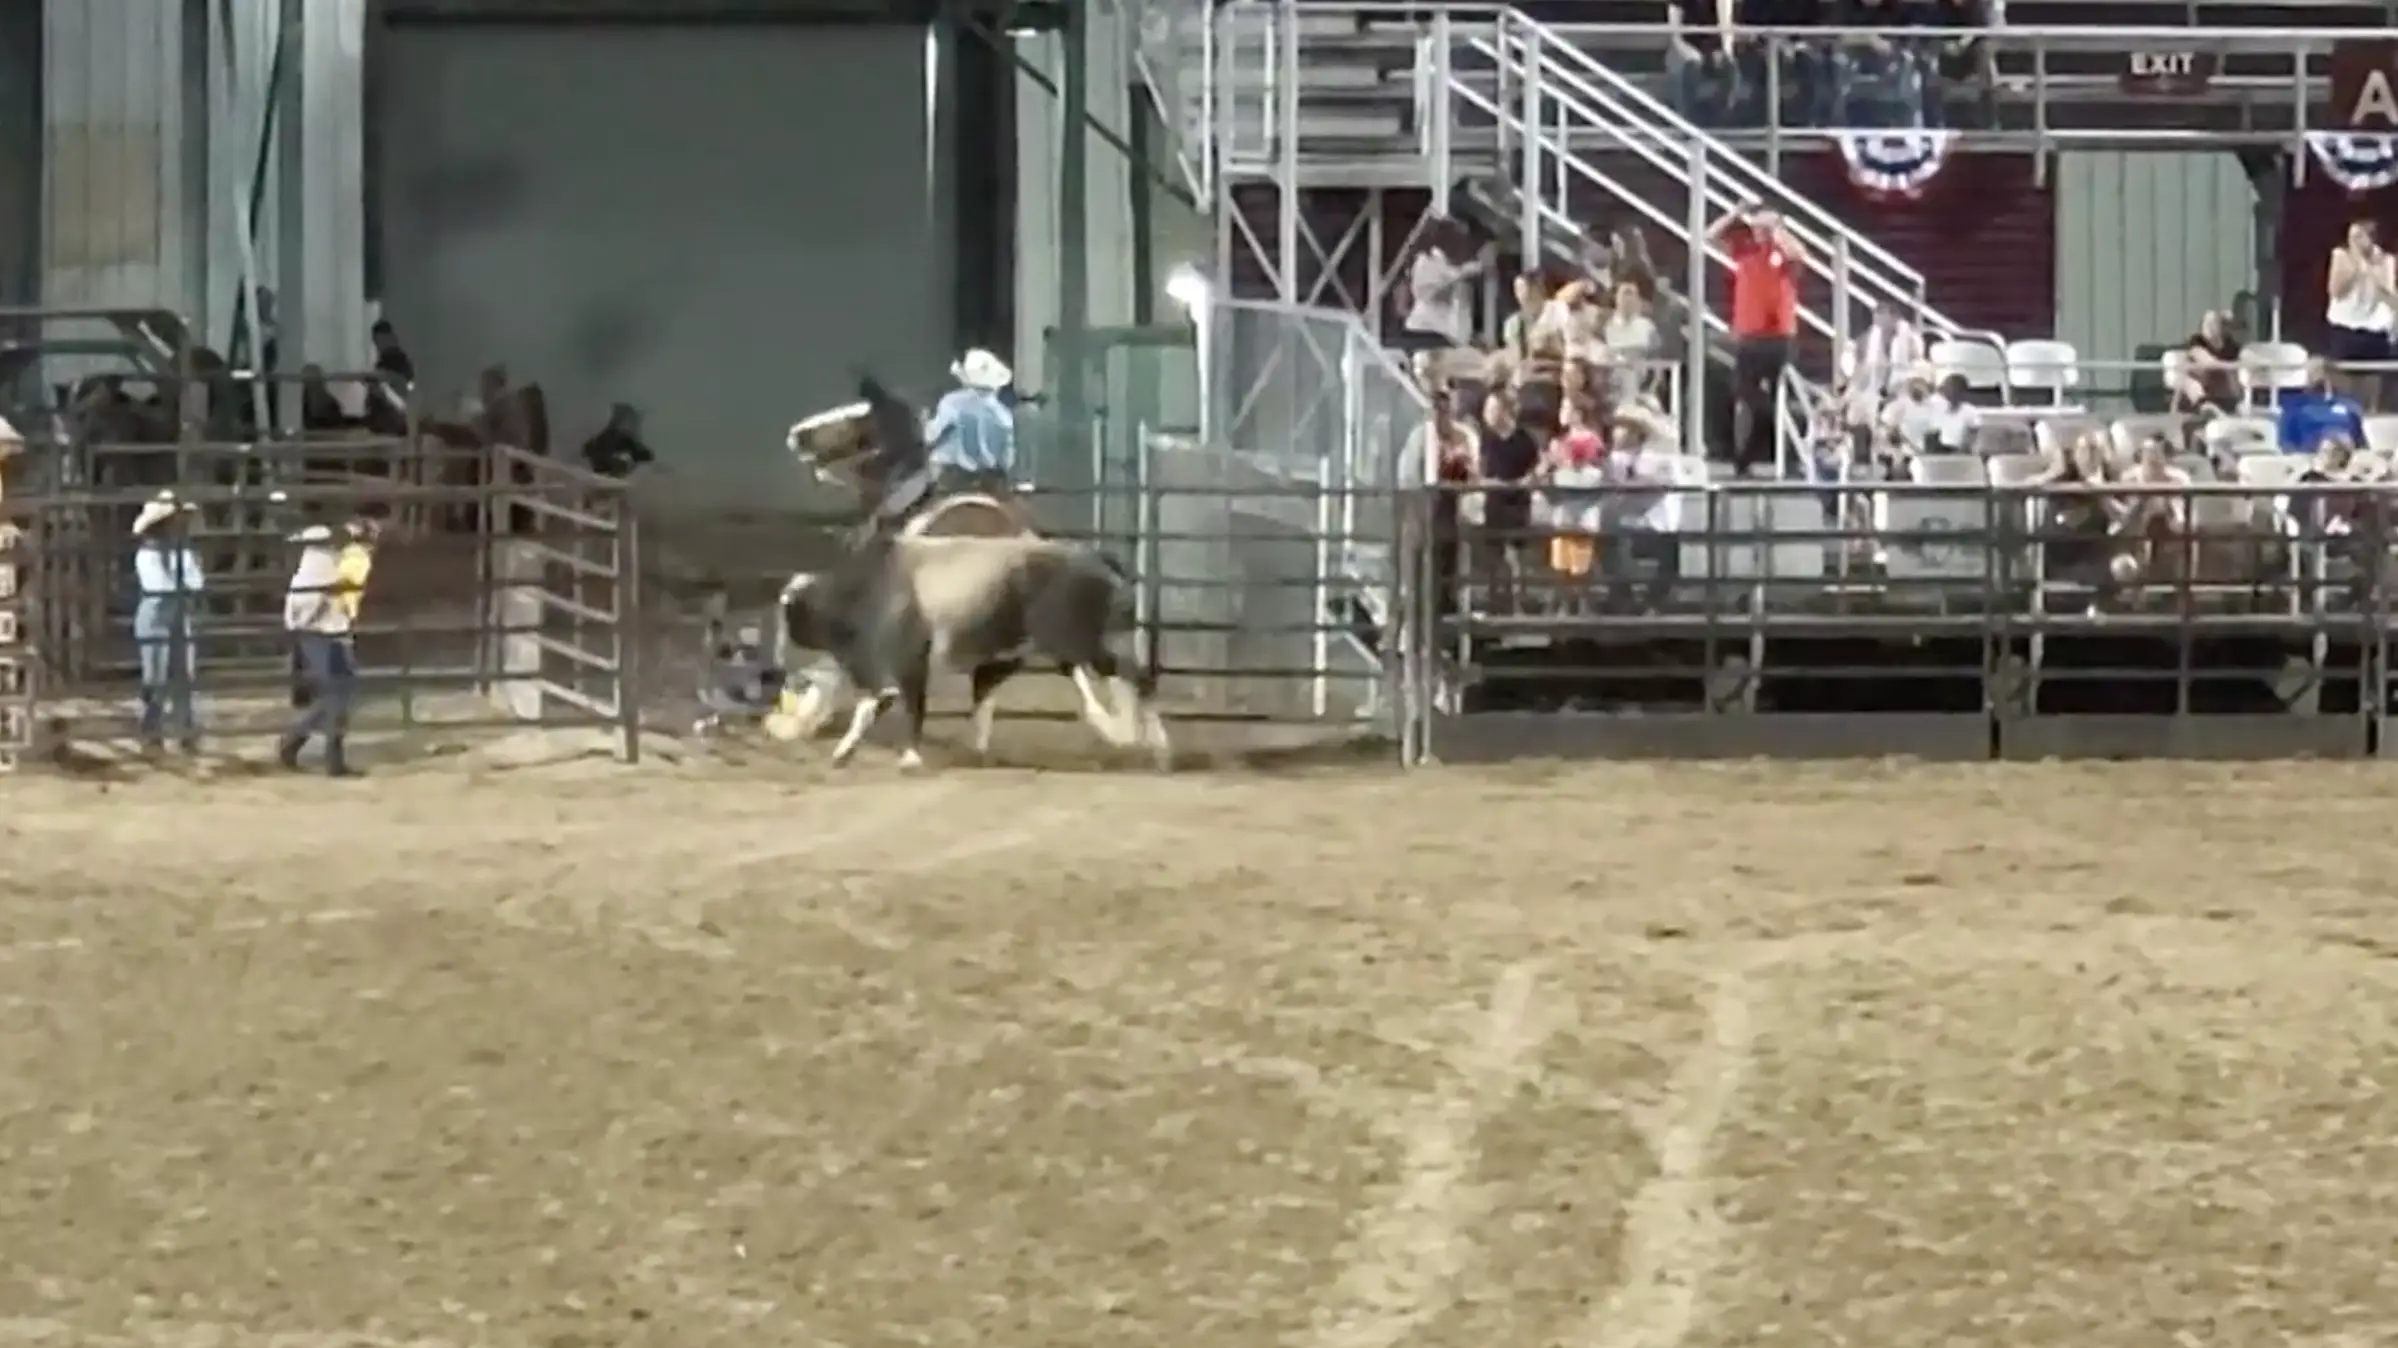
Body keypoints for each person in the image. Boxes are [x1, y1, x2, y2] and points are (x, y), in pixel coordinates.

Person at [278, 514, 380, 777]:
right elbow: (306, 608)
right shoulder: (319, 567)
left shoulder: (337, 562)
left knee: (340, 693)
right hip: (318, 633)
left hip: (332, 630)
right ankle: (304, 745)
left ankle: (307, 746)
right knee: (335, 693)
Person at [1710, 203, 1804, 475]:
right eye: (1758, 226)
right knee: (1744, 397)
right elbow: (1710, 237)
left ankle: (1791, 458)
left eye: (1764, 226)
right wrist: (1736, 213)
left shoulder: (1783, 253)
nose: (1760, 230)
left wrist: (1777, 229)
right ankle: (1743, 460)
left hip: (1779, 335)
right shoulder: (1745, 250)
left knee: (1782, 397)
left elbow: (1798, 254)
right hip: (1749, 336)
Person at [130, 490, 204, 753]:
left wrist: (185, 586)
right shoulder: (147, 554)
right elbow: (161, 585)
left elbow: (196, 581)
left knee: (184, 673)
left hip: (175, 612)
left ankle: (185, 728)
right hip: (158, 613)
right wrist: (184, 586)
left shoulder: (182, 552)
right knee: (156, 676)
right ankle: (152, 730)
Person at [2324, 220, 2396, 408]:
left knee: (2371, 387)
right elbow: (2335, 290)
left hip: (2374, 330)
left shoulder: (2385, 260)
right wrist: (2357, 266)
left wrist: (2373, 271)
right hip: (2345, 329)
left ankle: (2369, 417)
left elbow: (2389, 296)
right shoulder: (2341, 256)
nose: (2353, 242)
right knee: (2344, 387)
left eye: (2358, 237)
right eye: (2350, 237)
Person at [1397, 219, 1493, 352]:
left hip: (1447, 338)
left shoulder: (1456, 273)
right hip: (1425, 333)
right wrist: (1481, 265)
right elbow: (1444, 281)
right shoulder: (1426, 261)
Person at [2277, 357, 2368, 456]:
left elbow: (2361, 441)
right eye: (2316, 372)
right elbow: (2286, 442)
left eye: (2325, 371)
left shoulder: (2350, 405)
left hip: (2347, 459)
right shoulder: (2294, 406)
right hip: (2310, 458)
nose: (2322, 377)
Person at [2174, 309, 2243, 414]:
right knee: (2188, 377)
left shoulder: (2230, 346)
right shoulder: (2197, 341)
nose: (2210, 327)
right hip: (2201, 382)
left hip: (2225, 389)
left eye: (2214, 323)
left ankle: (2234, 405)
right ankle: (2203, 405)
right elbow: (2206, 360)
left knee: (2234, 375)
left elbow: (2241, 358)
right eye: (2207, 323)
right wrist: (2224, 366)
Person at [581, 403, 655, 478]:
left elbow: (646, 455)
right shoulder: (620, 437)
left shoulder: (613, 436)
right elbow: (646, 455)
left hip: (607, 471)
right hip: (606, 471)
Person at [370, 319, 416, 388]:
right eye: (377, 341)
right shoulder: (383, 361)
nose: (379, 345)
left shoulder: (400, 360)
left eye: (382, 340)